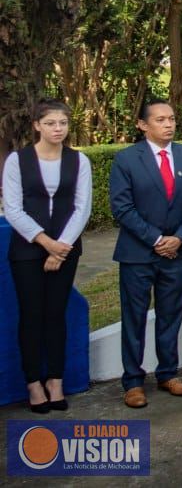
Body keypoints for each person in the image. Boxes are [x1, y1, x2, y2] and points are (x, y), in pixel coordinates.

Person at [108, 98, 182, 408]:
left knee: (171, 315)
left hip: (176, 253)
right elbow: (122, 207)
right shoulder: (126, 159)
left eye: (172, 119)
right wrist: (155, 239)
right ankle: (133, 382)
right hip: (138, 254)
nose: (169, 124)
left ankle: (167, 374)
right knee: (134, 318)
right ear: (142, 124)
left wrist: (178, 238)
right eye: (161, 120)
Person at [3, 98, 91, 413]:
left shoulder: (79, 161)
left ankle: (55, 380)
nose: (58, 129)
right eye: (51, 123)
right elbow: (12, 208)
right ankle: (33, 383)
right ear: (37, 125)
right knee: (31, 316)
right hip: (27, 250)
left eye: (63, 123)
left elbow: (83, 207)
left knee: (56, 314)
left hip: (66, 250)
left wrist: (61, 247)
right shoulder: (18, 160)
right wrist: (45, 243)